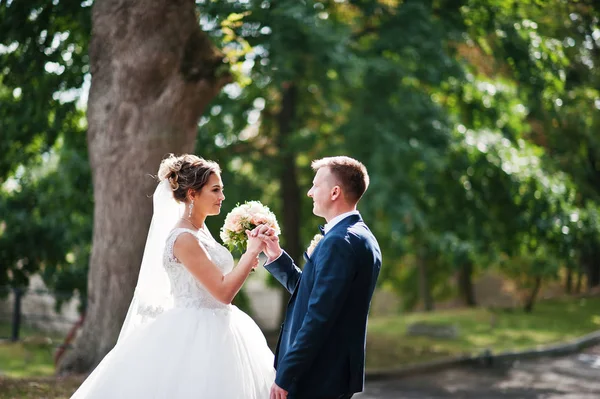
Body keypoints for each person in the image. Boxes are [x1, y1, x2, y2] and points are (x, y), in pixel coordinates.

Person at [71, 154, 275, 399]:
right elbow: (222, 293)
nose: (222, 197)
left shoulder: (200, 233)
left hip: (223, 327)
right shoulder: (183, 238)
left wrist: (248, 258)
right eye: (215, 190)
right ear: (192, 194)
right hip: (195, 333)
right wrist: (250, 252)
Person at [254, 156, 382, 399]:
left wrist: (287, 375)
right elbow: (311, 293)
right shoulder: (359, 235)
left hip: (318, 374)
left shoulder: (339, 242)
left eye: (316, 185)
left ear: (335, 192)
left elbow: (319, 316)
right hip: (328, 372)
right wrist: (275, 254)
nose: (310, 193)